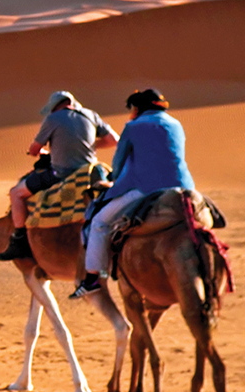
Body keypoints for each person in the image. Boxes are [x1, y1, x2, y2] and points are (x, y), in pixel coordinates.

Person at [72, 88, 193, 298]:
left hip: (146, 189)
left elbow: (118, 164)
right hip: (184, 188)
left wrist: (113, 180)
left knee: (99, 221)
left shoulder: (133, 127)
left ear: (138, 109)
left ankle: (92, 278)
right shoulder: (176, 124)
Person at [0, 91, 118, 260]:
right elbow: (114, 140)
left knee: (16, 193)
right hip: (89, 171)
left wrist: (42, 151)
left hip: (61, 174)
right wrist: (89, 146)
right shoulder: (91, 115)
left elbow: (34, 149)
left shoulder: (52, 119)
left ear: (54, 107)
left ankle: (20, 240)